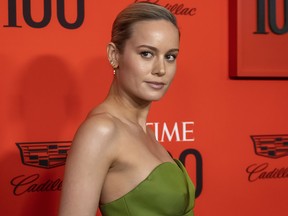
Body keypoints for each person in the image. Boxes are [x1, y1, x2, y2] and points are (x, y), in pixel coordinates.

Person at [58, 2, 195, 216]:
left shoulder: (144, 132)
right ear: (114, 55)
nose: (161, 70)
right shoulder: (101, 131)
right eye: (147, 54)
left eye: (170, 56)